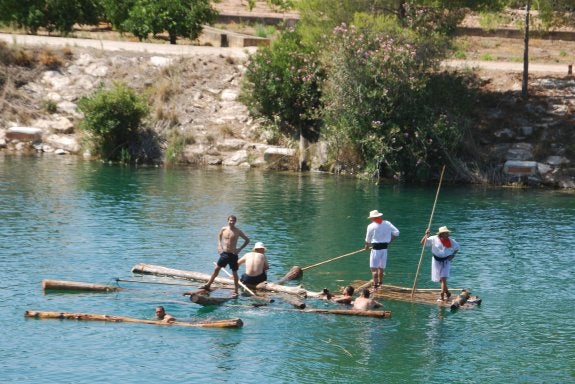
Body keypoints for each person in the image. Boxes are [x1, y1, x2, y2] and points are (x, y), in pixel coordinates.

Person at [201, 215, 250, 296]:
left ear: (235, 222)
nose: (232, 222)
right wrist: (219, 245)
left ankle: (236, 291)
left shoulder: (238, 231)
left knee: (234, 273)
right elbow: (219, 236)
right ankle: (208, 285)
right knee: (216, 269)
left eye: (233, 221)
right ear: (228, 221)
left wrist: (239, 249)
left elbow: (247, 240)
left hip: (233, 254)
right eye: (230, 220)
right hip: (224, 253)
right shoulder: (224, 229)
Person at [420, 225, 460, 301]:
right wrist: (426, 235)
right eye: (446, 233)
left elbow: (457, 248)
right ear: (441, 234)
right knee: (440, 280)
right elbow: (422, 243)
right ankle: (447, 292)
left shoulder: (450, 240)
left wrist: (453, 256)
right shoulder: (433, 238)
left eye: (448, 233)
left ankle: (442, 295)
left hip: (446, 260)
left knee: (443, 278)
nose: (448, 234)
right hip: (436, 260)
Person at [364, 209, 400, 289]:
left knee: (374, 269)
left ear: (373, 218)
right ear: (379, 216)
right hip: (384, 249)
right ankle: (380, 283)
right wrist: (389, 241)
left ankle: (375, 285)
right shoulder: (387, 223)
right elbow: (397, 233)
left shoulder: (371, 226)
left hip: (376, 249)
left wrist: (366, 246)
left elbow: (368, 239)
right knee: (381, 268)